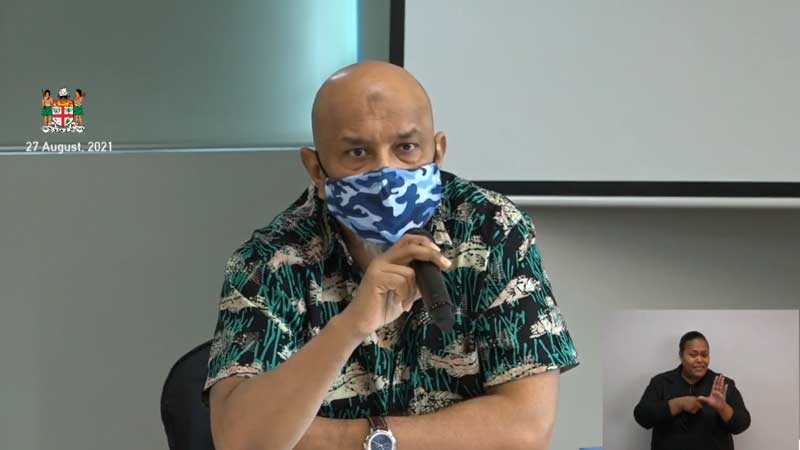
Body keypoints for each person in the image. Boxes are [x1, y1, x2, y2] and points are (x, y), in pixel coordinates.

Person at [204, 61, 579, 450]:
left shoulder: (493, 229)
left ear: (438, 152)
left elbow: (526, 429)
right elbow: (242, 441)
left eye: (406, 148)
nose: (385, 172)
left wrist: (365, 440)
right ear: (316, 169)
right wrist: (351, 326)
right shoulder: (269, 260)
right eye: (357, 152)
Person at [633, 331, 751, 450]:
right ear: (681, 355)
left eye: (704, 355)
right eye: (693, 355)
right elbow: (642, 416)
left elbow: (742, 424)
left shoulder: (722, 384)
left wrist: (723, 408)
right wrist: (678, 404)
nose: (700, 360)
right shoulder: (661, 382)